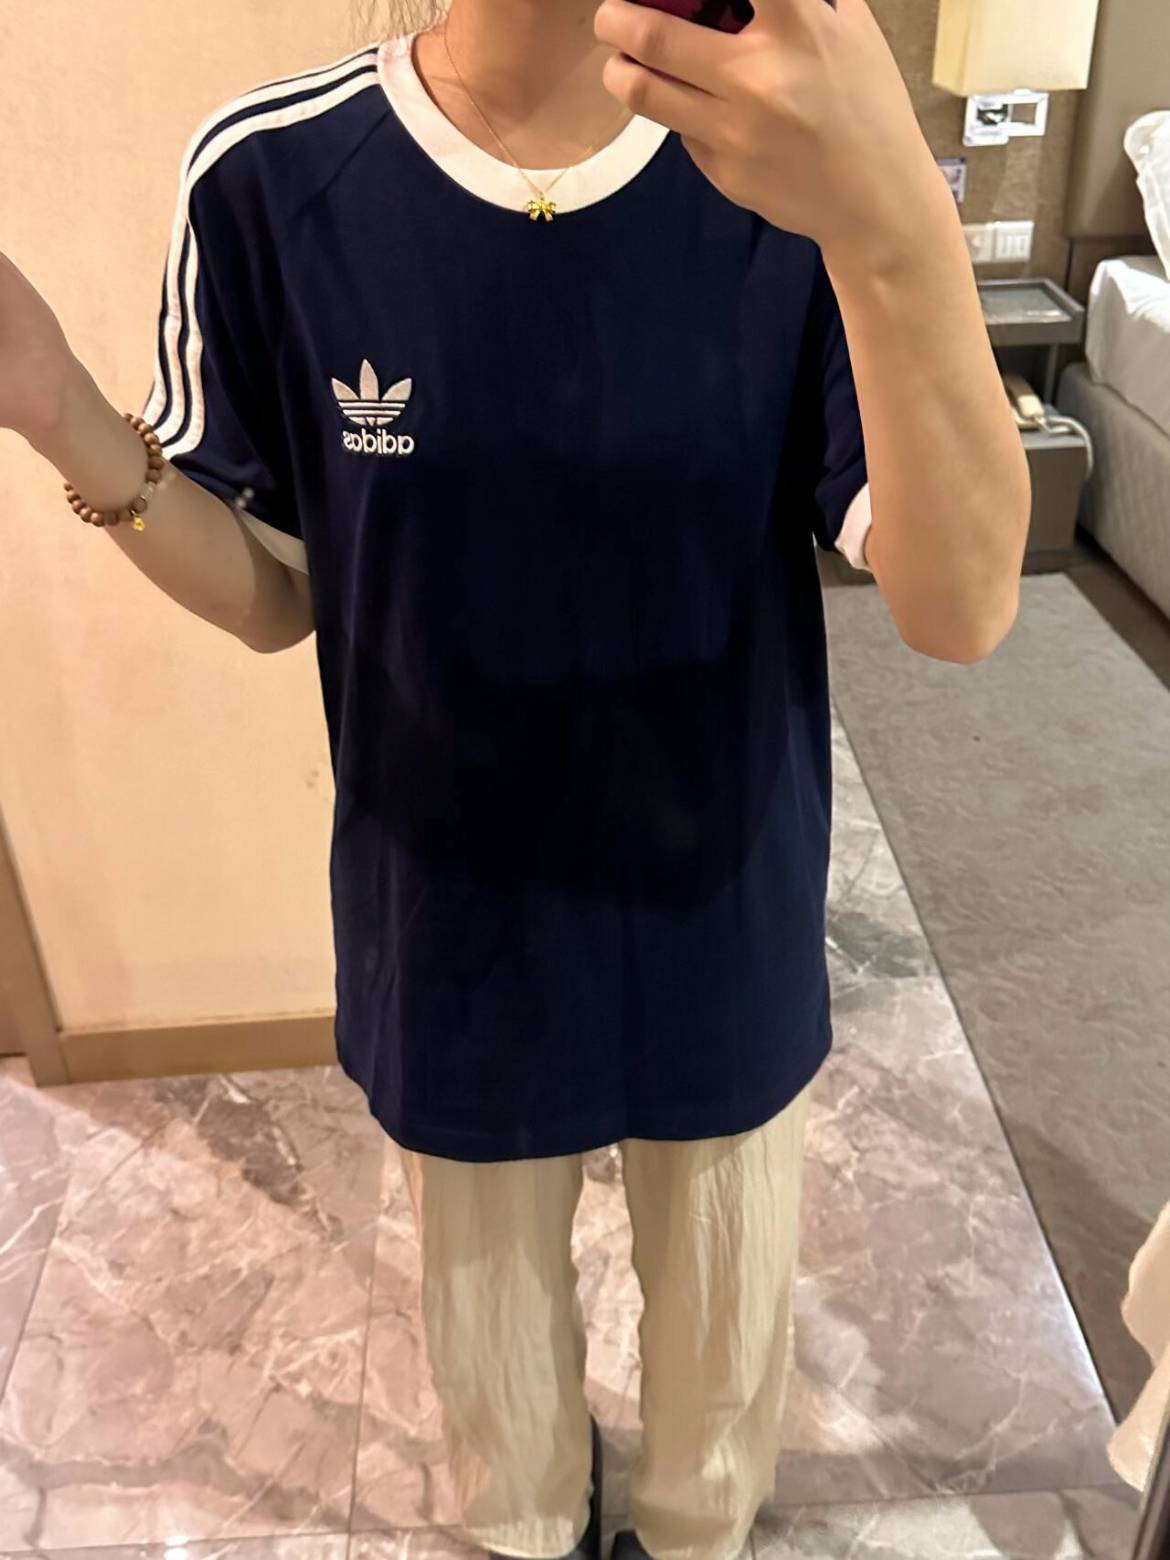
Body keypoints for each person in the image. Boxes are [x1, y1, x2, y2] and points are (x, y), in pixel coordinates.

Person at [0, 0, 1031, 1554]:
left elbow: (961, 609)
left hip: (719, 896)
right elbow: (276, 591)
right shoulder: (275, 176)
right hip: (449, 909)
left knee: (719, 1366)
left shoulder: (784, 161)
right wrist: (59, 412)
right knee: (497, 1407)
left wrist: (890, 225)